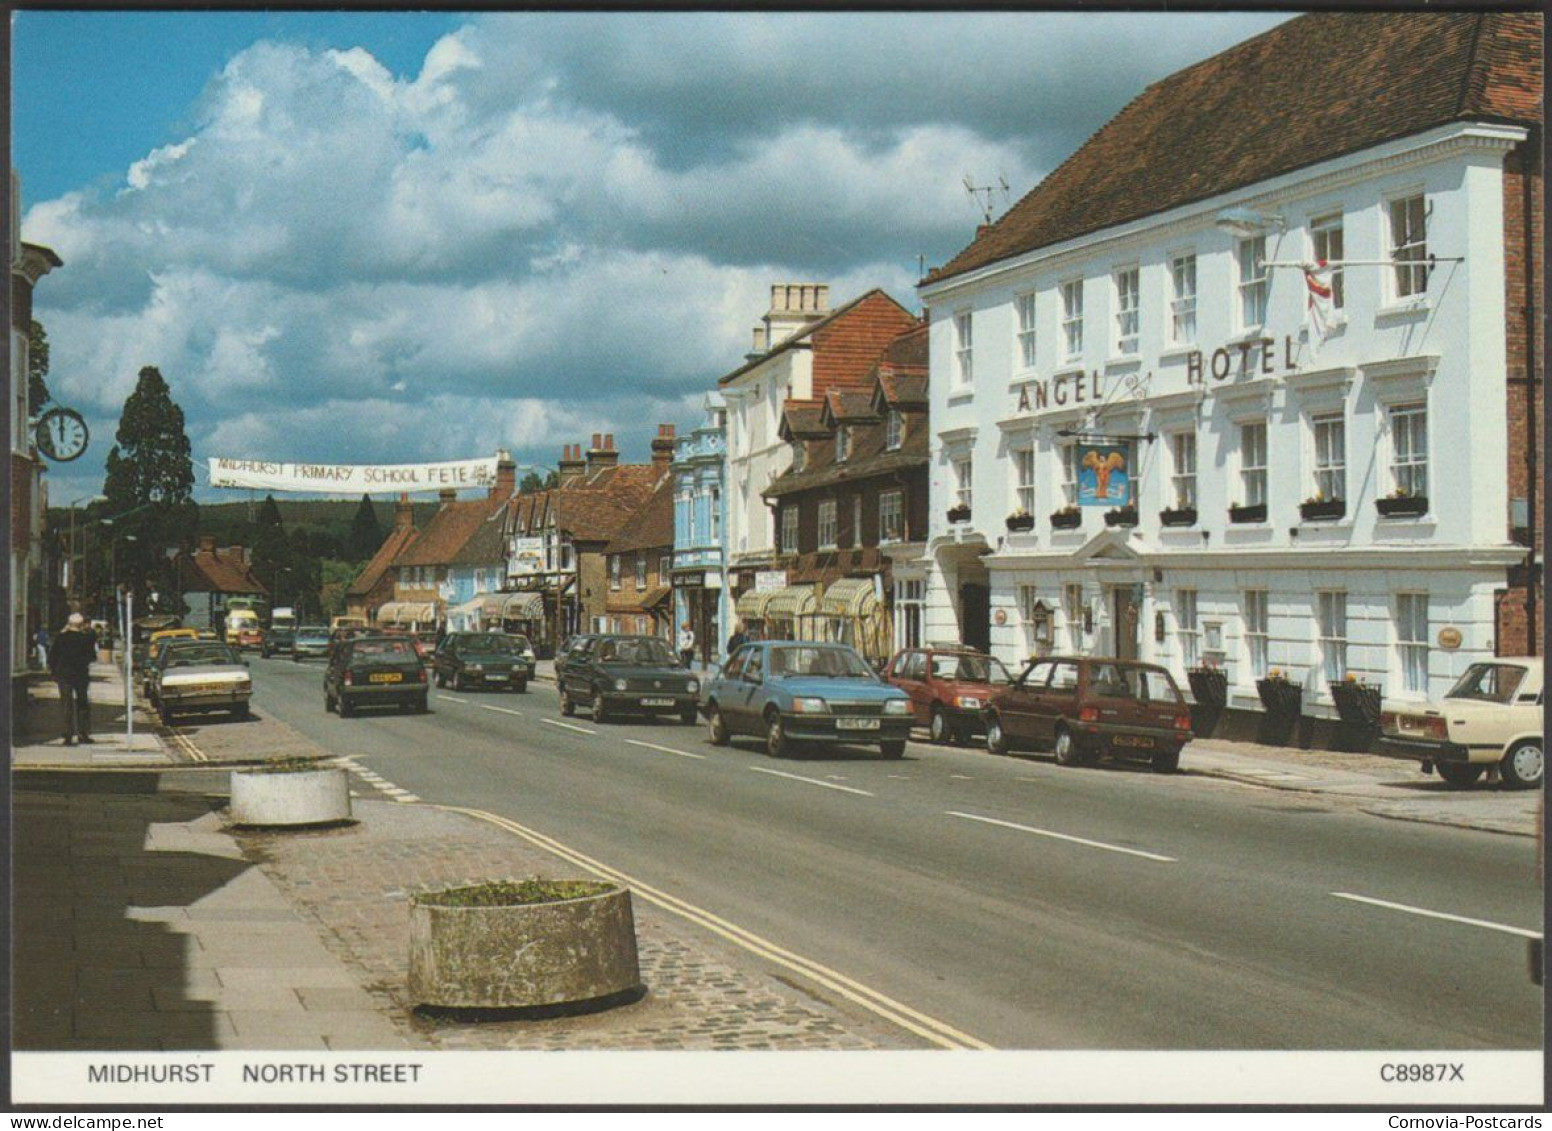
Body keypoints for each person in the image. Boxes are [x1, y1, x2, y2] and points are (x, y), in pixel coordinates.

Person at [50, 613, 97, 746]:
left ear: (69, 624)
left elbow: (52, 656)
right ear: (81, 625)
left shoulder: (61, 638)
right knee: (82, 703)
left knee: (66, 704)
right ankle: (83, 733)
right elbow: (92, 656)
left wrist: (54, 672)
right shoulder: (85, 639)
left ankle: (68, 734)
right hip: (80, 674)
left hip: (64, 675)